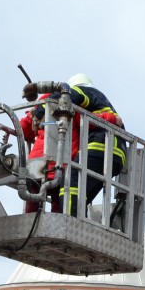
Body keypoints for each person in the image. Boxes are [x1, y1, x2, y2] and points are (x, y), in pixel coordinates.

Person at [21, 73, 126, 218]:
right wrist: (113, 119)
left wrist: (34, 114)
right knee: (63, 197)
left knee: (34, 197)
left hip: (36, 165)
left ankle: (29, 221)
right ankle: (65, 221)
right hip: (60, 163)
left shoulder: (41, 105)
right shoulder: (71, 106)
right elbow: (89, 121)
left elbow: (23, 128)